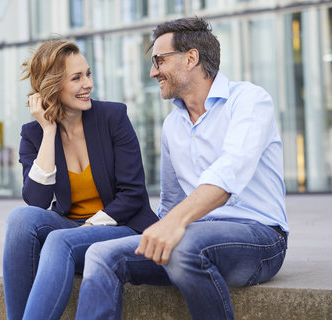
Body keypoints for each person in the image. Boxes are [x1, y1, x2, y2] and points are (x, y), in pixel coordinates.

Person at [75, 17, 289, 320]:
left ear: (191, 58)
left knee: (184, 246)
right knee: (101, 253)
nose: (153, 72)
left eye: (159, 60)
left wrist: (174, 223)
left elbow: (229, 171)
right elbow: (171, 203)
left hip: (260, 239)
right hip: (192, 237)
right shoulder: (172, 124)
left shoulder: (250, 100)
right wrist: (140, 231)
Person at [2, 40, 158, 320]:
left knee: (60, 241)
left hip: (121, 227)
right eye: (76, 78)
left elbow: (133, 194)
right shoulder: (33, 134)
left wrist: (87, 227)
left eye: (88, 73)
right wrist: (48, 131)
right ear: (52, 87)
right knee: (20, 219)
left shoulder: (113, 117)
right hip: (71, 226)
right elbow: (36, 201)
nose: (88, 83)